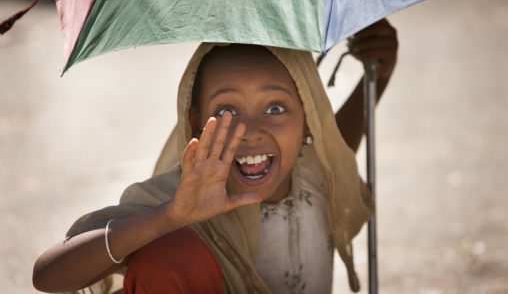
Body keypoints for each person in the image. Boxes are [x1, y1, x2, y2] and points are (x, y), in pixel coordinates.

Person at [32, 19, 397, 294]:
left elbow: (340, 146)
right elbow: (47, 275)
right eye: (227, 111)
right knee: (169, 255)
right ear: (194, 123)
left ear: (309, 121)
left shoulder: (320, 174)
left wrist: (380, 72)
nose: (251, 130)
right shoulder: (179, 199)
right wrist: (171, 217)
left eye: (275, 108)